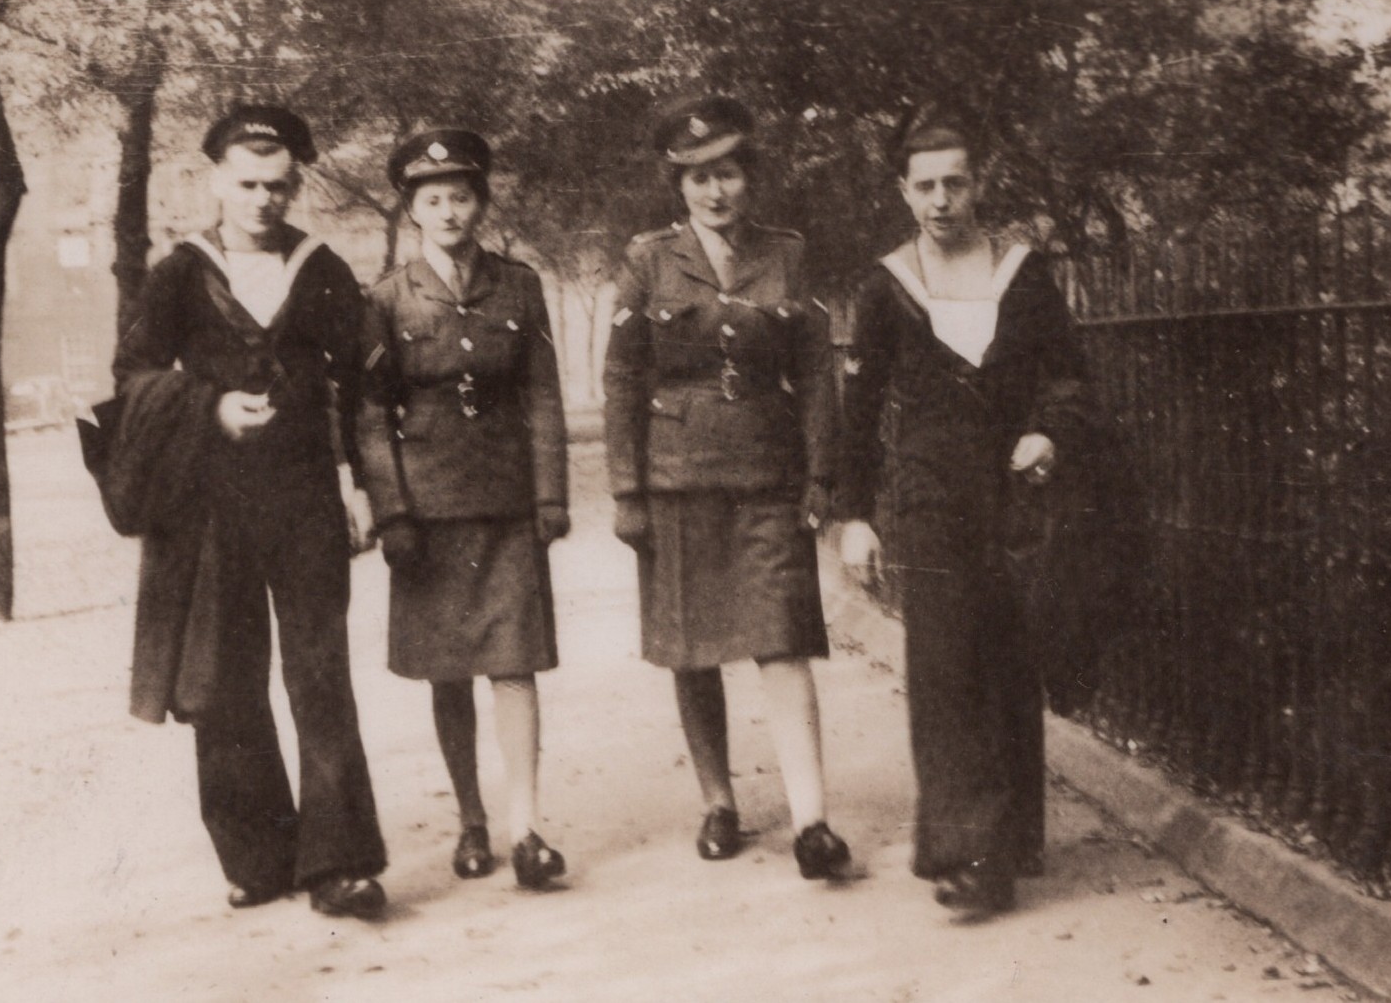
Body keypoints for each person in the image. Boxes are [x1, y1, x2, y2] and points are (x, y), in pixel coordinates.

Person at [112, 105, 390, 919]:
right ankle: (258, 858)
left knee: (320, 674)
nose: (263, 200)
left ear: (294, 185)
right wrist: (211, 407)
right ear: (217, 183)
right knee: (227, 679)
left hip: (305, 496)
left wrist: (359, 484)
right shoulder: (178, 273)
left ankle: (338, 863)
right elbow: (131, 376)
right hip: (212, 501)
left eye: (277, 185)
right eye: (247, 185)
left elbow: (360, 384)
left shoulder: (322, 268)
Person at [836, 102, 1090, 917]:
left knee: (1011, 660)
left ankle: (1014, 839)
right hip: (930, 499)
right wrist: (854, 515)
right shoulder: (886, 286)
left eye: (955, 183)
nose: (941, 201)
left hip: (1013, 496)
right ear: (904, 192)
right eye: (925, 187)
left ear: (979, 184)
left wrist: (1048, 431)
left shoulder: (1023, 274)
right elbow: (858, 410)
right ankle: (968, 854)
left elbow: (1069, 375)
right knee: (946, 670)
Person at [602, 95, 851, 881]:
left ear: (751, 177)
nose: (716, 191)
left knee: (783, 639)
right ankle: (719, 803)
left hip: (769, 474)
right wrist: (627, 491)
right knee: (693, 648)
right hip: (679, 477)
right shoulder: (648, 259)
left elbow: (816, 372)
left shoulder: (787, 254)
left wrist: (822, 474)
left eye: (729, 173)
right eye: (699, 177)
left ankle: (812, 820)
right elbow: (622, 378)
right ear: (678, 185)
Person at [354, 129, 572, 891]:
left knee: (515, 664)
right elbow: (369, 416)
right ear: (412, 210)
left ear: (480, 204)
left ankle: (527, 828)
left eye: (461, 196)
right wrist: (392, 513)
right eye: (433, 199)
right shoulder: (386, 299)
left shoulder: (519, 286)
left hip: (506, 504)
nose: (448, 211)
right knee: (448, 673)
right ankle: (471, 821)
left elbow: (543, 394)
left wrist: (551, 494)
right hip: (430, 511)